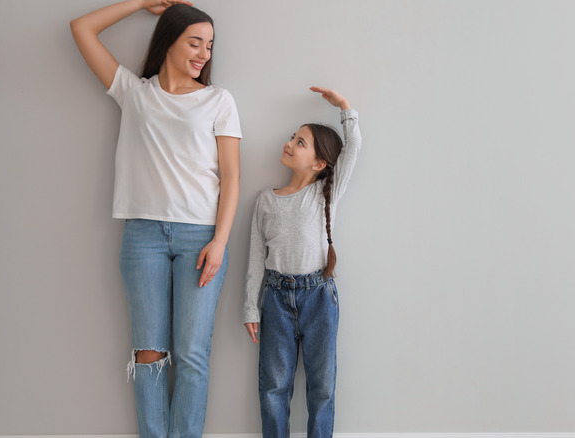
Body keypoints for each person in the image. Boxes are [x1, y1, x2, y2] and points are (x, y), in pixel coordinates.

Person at [70, 1, 242, 437]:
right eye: (194, 42)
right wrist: (142, 2)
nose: (204, 53)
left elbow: (232, 178)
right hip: (142, 236)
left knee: (191, 354)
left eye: (209, 45)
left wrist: (220, 241)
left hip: (200, 237)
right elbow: (82, 28)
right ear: (168, 40)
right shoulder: (134, 92)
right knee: (148, 354)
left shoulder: (218, 100)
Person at [243, 87, 361, 438]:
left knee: (322, 388)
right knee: (273, 388)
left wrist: (344, 108)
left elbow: (352, 150)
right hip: (276, 300)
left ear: (319, 163)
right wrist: (251, 307)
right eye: (292, 137)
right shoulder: (265, 200)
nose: (290, 143)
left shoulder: (324, 193)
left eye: (301, 142)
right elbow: (254, 259)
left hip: (319, 298)